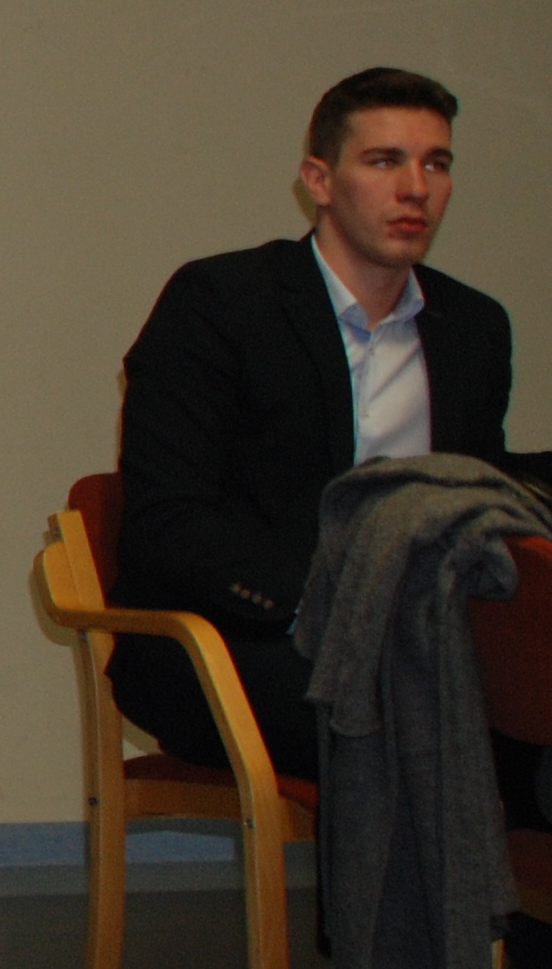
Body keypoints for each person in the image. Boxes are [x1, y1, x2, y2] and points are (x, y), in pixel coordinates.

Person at [112, 68, 510, 783]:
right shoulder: (222, 303)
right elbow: (166, 522)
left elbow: (480, 497)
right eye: (384, 162)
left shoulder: (473, 327)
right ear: (319, 181)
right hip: (241, 637)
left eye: (436, 164)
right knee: (409, 719)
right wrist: (335, 609)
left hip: (419, 641)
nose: (415, 188)